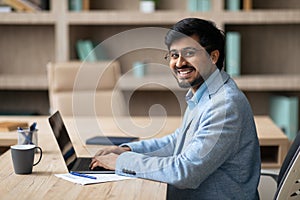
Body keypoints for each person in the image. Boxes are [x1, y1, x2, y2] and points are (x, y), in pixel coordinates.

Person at [90, 18, 261, 199]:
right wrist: (127, 151)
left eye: (189, 53)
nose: (179, 63)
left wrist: (120, 162)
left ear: (213, 57)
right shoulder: (205, 94)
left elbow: (185, 172)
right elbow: (177, 142)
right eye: (174, 55)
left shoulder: (225, 106)